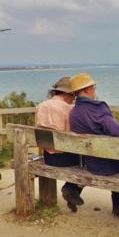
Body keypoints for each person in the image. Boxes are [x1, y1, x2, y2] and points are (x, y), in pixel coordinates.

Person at [68, 72, 119, 222]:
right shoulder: (98, 108)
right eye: (93, 87)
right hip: (108, 165)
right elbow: (118, 132)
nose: (95, 90)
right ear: (86, 90)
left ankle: (118, 207)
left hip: (91, 164)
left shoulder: (74, 113)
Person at [35, 76, 83, 212]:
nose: (74, 98)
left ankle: (72, 191)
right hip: (66, 158)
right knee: (89, 161)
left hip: (48, 157)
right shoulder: (69, 109)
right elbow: (73, 137)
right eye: (74, 95)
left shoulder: (40, 106)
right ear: (69, 94)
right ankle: (71, 188)